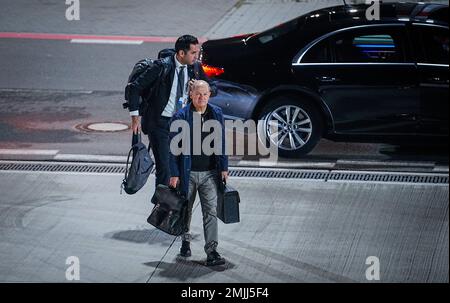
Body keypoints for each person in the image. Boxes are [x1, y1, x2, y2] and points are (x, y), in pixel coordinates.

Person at [127, 35, 217, 191]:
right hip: (160, 124)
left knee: (182, 168)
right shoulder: (162, 67)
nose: (197, 56)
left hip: (183, 124)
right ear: (181, 53)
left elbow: (214, 88)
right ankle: (161, 208)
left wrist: (199, 87)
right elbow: (134, 88)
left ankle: (173, 205)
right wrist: (135, 117)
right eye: (193, 53)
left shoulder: (194, 69)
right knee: (165, 169)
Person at [168, 80, 228, 266]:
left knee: (210, 212)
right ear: (191, 95)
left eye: (205, 94)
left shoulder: (216, 113)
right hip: (189, 174)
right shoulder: (181, 116)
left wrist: (224, 167)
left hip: (210, 173)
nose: (202, 98)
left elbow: (221, 142)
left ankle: (212, 250)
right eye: (198, 94)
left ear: (209, 94)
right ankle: (185, 241)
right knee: (186, 211)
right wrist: (174, 173)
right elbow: (173, 149)